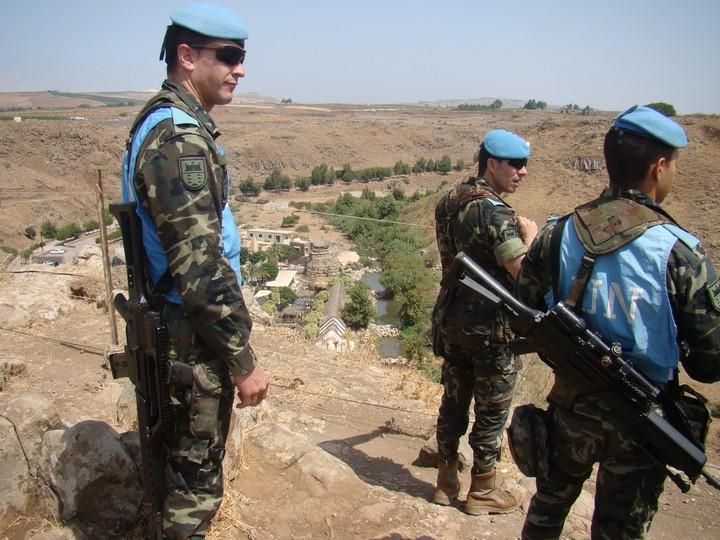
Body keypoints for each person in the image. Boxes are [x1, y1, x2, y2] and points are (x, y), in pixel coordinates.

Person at [515, 106, 720, 539]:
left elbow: (524, 315)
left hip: (570, 406)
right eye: (673, 165)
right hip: (640, 423)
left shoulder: (557, 233)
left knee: (546, 512)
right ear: (658, 167)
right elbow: (709, 362)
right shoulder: (681, 253)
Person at [120, 3, 268, 538]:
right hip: (188, 335)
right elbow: (199, 268)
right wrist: (242, 359)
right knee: (194, 490)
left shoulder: (177, 125)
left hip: (183, 329)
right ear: (186, 57)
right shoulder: (178, 138)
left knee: (185, 472)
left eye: (242, 57)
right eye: (228, 56)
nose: (240, 69)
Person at [432, 129, 538, 514]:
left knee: (453, 400)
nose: (523, 172)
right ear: (492, 163)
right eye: (516, 164)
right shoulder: (496, 213)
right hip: (492, 329)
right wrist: (530, 237)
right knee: (492, 410)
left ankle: (445, 480)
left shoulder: (450, 201)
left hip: (452, 319)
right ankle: (483, 490)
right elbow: (521, 274)